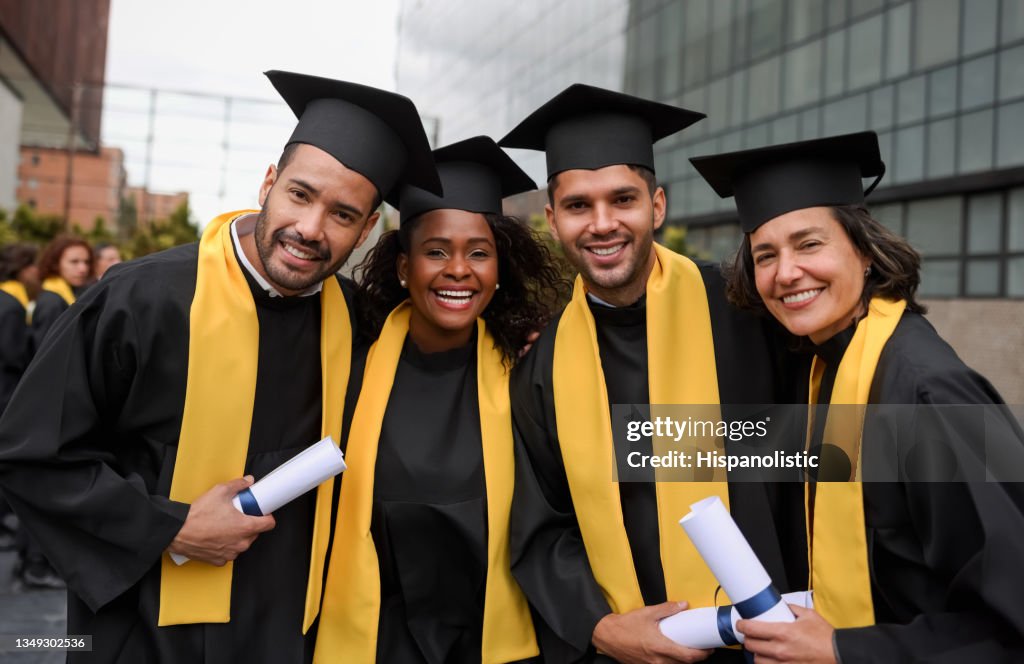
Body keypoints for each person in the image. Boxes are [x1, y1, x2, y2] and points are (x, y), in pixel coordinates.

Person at [0, 70, 440, 664]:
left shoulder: (362, 323)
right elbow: (32, 454)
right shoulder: (140, 299)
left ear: (366, 230)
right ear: (268, 183)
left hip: (291, 632)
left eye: (342, 215)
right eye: (300, 195)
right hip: (147, 632)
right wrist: (168, 525)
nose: (309, 230)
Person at [691, 131, 1024, 663]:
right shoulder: (826, 364)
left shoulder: (926, 393)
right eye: (765, 255)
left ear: (865, 250)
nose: (786, 273)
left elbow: (1011, 625)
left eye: (809, 244)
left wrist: (843, 649)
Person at [499, 84, 802, 663]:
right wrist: (600, 626)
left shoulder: (749, 310)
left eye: (623, 199)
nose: (602, 223)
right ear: (552, 219)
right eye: (578, 205)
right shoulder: (543, 365)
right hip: (628, 648)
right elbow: (541, 525)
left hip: (772, 640)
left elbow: (828, 448)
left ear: (657, 206)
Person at [315, 136, 568, 663]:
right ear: (404, 267)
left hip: (492, 640)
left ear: (500, 272)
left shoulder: (530, 376)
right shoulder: (347, 367)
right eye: (436, 252)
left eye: (479, 253)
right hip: (374, 638)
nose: (459, 269)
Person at [37, 235, 93, 304]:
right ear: (55, 263)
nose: (83, 269)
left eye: (87, 262)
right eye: (74, 262)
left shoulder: (80, 291)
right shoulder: (51, 300)